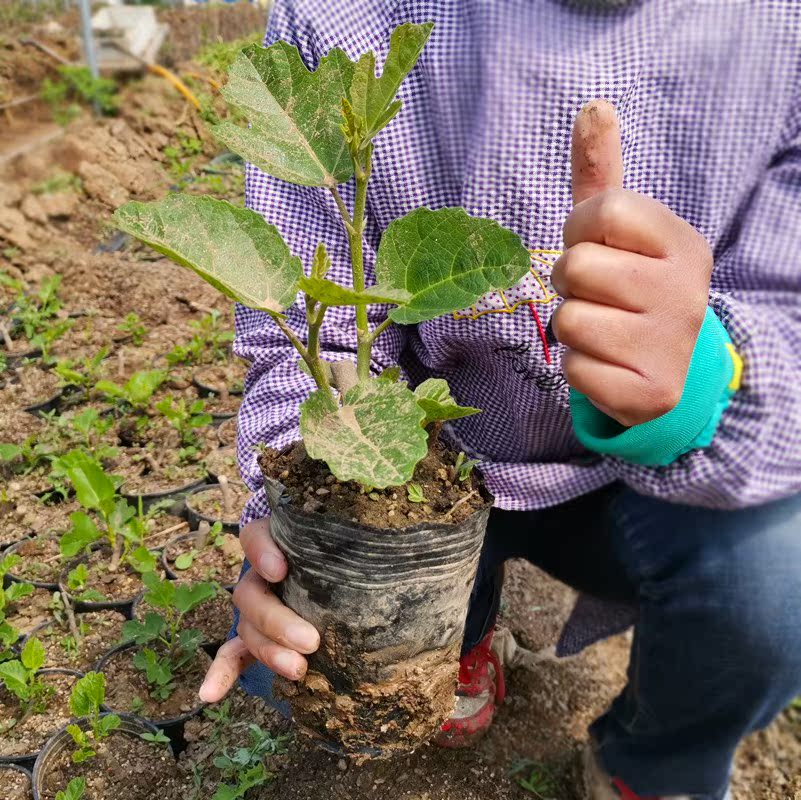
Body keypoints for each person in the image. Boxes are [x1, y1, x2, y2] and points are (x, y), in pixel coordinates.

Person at [197, 2, 801, 798]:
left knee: (773, 585)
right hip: (436, 463)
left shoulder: (779, 32)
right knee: (324, 639)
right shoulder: (345, 18)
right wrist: (300, 539)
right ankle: (459, 630)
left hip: (653, 478)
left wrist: (704, 380)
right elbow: (312, 354)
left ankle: (652, 763)